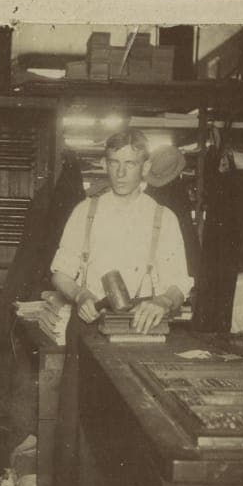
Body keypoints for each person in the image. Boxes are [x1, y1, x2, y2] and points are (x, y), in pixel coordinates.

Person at [50, 129, 194, 333]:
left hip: (142, 324)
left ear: (145, 167)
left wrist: (163, 301)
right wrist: (81, 295)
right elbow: (61, 274)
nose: (120, 173)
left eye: (130, 164)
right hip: (89, 322)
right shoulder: (85, 211)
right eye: (114, 163)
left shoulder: (164, 218)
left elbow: (179, 283)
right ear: (104, 164)